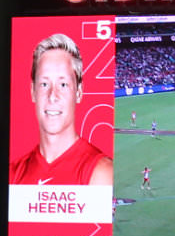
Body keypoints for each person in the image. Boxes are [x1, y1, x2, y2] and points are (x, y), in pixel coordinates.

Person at [8, 33, 110, 186]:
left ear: (78, 92)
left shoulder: (100, 172)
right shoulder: (14, 173)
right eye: (44, 84)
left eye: (63, 85)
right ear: (32, 91)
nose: (52, 96)